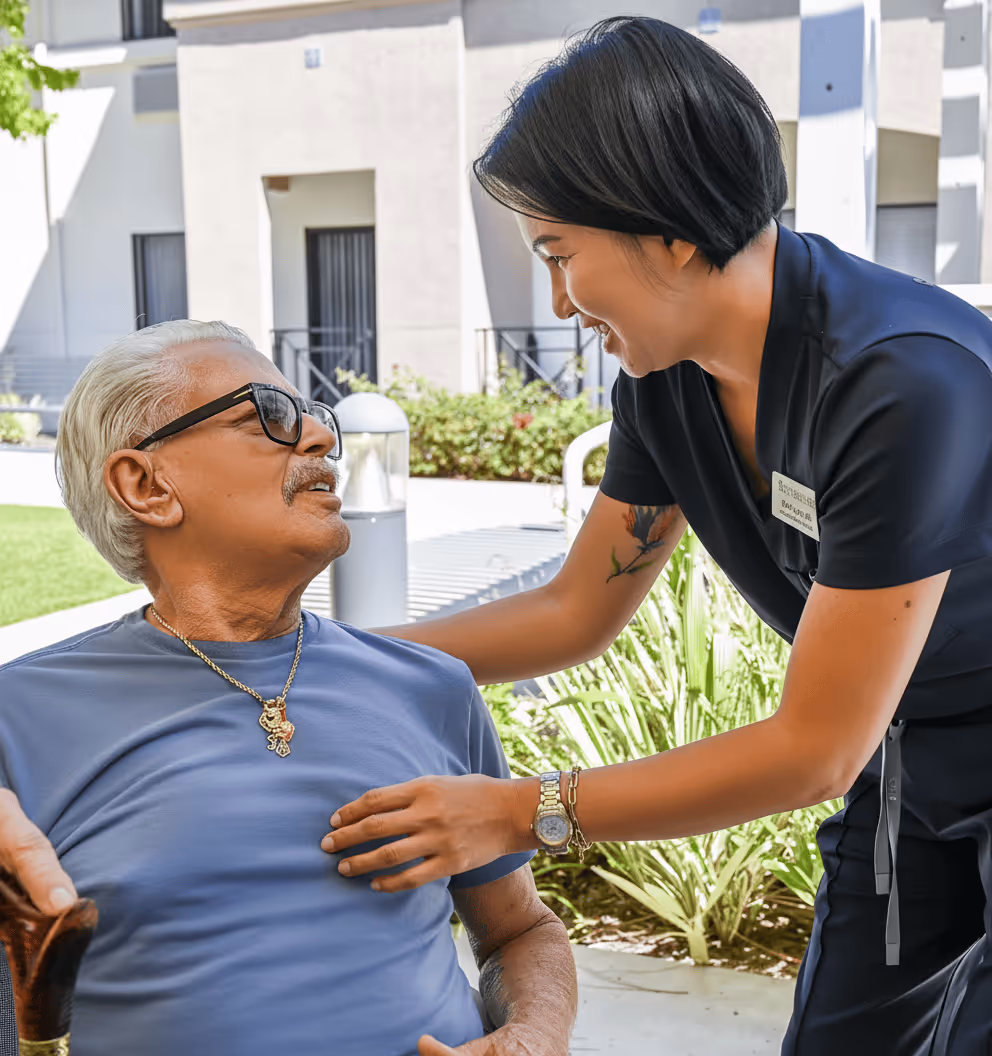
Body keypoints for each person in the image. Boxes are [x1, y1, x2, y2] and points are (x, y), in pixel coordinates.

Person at [314, 16, 991, 1054]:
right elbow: (573, 609)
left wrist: (516, 811)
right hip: (905, 770)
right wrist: (339, 661)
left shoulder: (900, 381)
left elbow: (812, 748)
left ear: (666, 228)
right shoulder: (665, 384)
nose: (558, 300)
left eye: (558, 253)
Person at [0, 320, 576, 1056]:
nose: (318, 438)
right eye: (266, 416)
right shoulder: (21, 717)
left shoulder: (430, 688)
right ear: (145, 485)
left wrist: (535, 1031)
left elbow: (520, 931)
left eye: (314, 417)